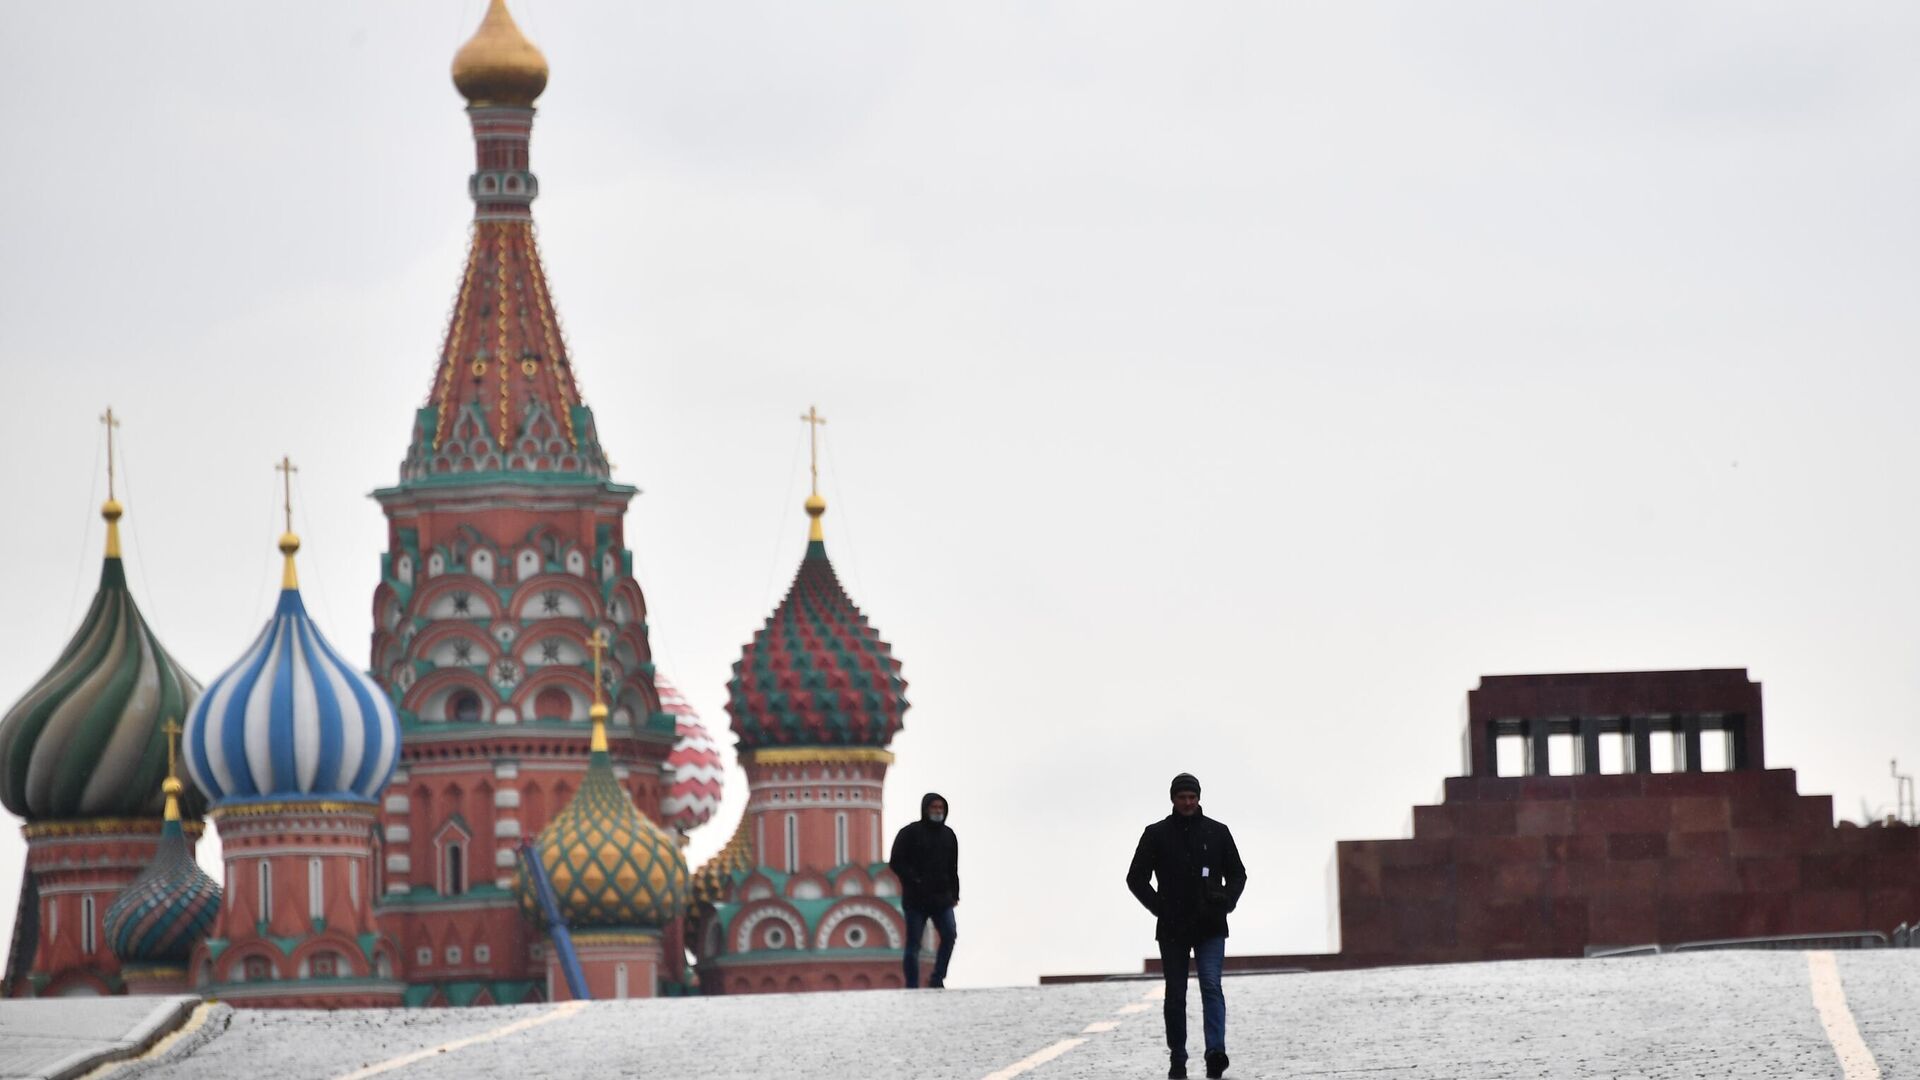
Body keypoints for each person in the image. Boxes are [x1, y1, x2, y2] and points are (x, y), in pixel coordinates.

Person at [1127, 772, 1247, 1080]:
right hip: (1173, 928)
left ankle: (1215, 1052)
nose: (1187, 802)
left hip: (1210, 925)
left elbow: (1238, 873)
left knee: (1211, 985)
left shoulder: (1217, 833)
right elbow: (1135, 878)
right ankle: (1178, 1057)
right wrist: (1160, 909)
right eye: (1182, 797)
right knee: (1176, 993)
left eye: (1192, 797)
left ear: (1199, 797)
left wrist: (1226, 900)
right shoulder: (1156, 834)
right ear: (1173, 799)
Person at [888, 791, 959, 989]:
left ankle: (937, 979)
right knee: (913, 944)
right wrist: (914, 880)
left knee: (950, 934)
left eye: (940, 808)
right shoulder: (910, 833)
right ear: (925, 809)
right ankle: (912, 984)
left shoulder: (948, 835)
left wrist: (955, 893)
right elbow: (896, 862)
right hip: (916, 900)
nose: (937, 812)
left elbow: (953, 867)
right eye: (934, 808)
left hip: (942, 899)